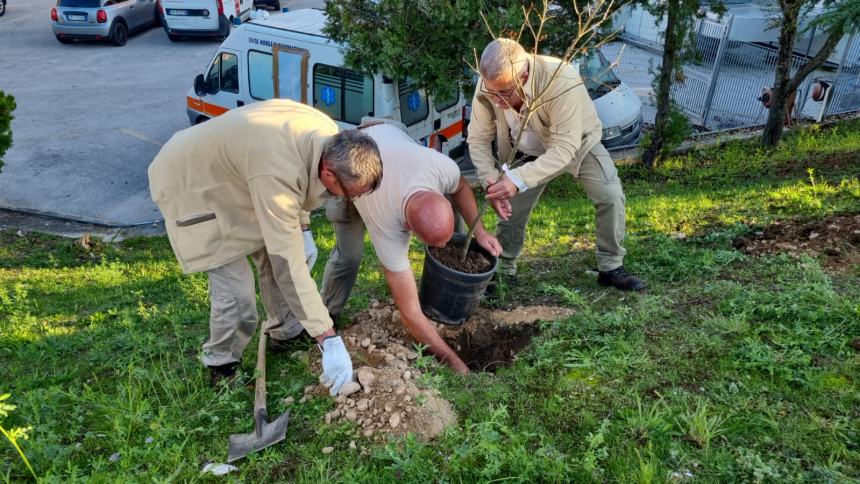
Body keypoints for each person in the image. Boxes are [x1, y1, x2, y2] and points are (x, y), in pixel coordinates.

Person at [148, 99, 383, 394]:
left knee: (275, 260)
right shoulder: (277, 172)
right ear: (329, 175)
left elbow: (299, 183)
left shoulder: (326, 135)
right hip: (192, 184)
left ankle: (285, 331)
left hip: (241, 178)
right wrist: (327, 336)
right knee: (237, 295)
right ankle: (221, 365)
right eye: (349, 194)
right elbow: (288, 260)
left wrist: (304, 225)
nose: (351, 200)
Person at [320, 120, 503, 374]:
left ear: (440, 194)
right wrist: (454, 362)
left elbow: (460, 185)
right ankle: (323, 320)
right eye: (433, 243)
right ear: (407, 226)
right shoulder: (388, 229)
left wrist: (480, 231)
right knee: (349, 256)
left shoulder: (440, 167)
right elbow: (410, 314)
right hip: (347, 164)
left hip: (387, 129)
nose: (442, 247)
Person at [468, 38, 645, 291]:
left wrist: (518, 180)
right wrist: (492, 181)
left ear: (524, 74)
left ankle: (611, 266)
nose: (496, 100)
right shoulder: (489, 86)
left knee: (610, 195)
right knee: (510, 210)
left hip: (576, 145)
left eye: (504, 93)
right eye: (491, 91)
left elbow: (564, 148)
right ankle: (504, 270)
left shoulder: (561, 80)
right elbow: (478, 137)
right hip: (523, 151)